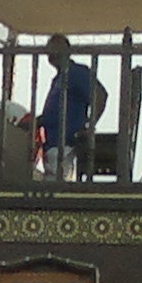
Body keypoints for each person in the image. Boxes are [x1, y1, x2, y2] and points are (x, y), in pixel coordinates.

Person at [37, 34, 105, 181]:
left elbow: (100, 96)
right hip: (52, 144)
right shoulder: (58, 78)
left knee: (55, 190)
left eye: (55, 47)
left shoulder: (77, 72)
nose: (50, 52)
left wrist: (90, 125)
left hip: (65, 144)